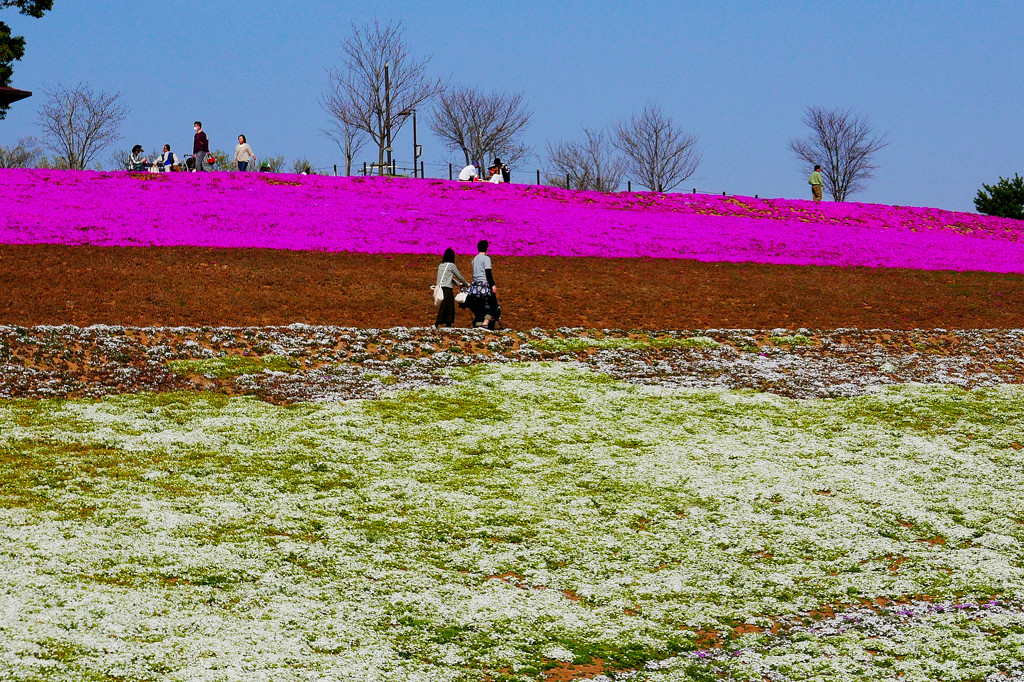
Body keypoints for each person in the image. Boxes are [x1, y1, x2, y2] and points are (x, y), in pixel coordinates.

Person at [466, 239, 500, 329]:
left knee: (480, 307)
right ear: (487, 248)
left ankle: (478, 325)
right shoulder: (486, 259)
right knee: (495, 305)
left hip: (475, 287)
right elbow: (488, 273)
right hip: (484, 286)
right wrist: (492, 285)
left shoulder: (474, 259)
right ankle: (486, 322)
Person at [434, 248, 469, 328]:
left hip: (441, 288)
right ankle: (437, 324)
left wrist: (458, 284)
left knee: (447, 307)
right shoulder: (451, 265)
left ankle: (447, 325)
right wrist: (466, 284)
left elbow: (448, 278)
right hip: (447, 289)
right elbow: (459, 276)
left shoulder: (441, 265)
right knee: (447, 308)